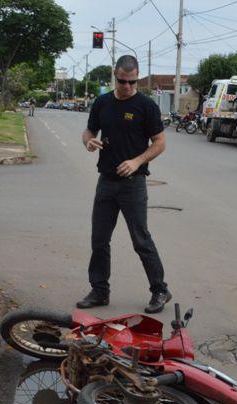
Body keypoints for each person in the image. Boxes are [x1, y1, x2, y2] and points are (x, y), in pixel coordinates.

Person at [78, 55, 171, 314]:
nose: (127, 86)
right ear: (114, 76)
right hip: (106, 182)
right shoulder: (102, 103)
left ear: (137, 79)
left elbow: (160, 142)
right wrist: (87, 141)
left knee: (141, 240)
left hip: (133, 184)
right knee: (99, 240)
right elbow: (88, 131)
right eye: (122, 81)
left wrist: (137, 161)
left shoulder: (146, 106)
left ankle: (160, 290)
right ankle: (99, 290)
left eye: (132, 82)